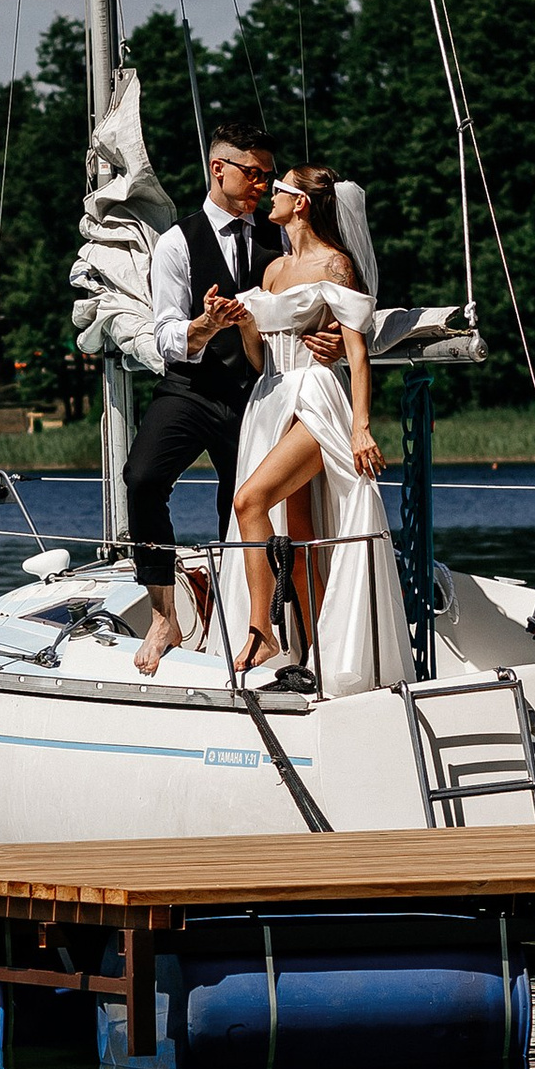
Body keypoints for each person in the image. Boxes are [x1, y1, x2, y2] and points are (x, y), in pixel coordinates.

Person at [127, 131, 343, 674]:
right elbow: (161, 336)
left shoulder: (281, 240)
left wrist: (334, 336)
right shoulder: (177, 243)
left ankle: (256, 626)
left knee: (242, 504)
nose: (263, 184)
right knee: (143, 477)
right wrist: (202, 326)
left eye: (269, 176)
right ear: (218, 168)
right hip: (191, 387)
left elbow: (326, 301)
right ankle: (162, 616)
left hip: (259, 393)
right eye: (254, 173)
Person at [220, 165, 413, 695]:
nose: (270, 197)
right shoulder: (274, 270)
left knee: (249, 502)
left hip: (315, 398)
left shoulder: (335, 264)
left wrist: (361, 427)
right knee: (299, 534)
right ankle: (314, 651)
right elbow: (259, 356)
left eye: (278, 190)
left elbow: (356, 349)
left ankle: (262, 630)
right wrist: (241, 323)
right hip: (270, 399)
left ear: (300, 203)